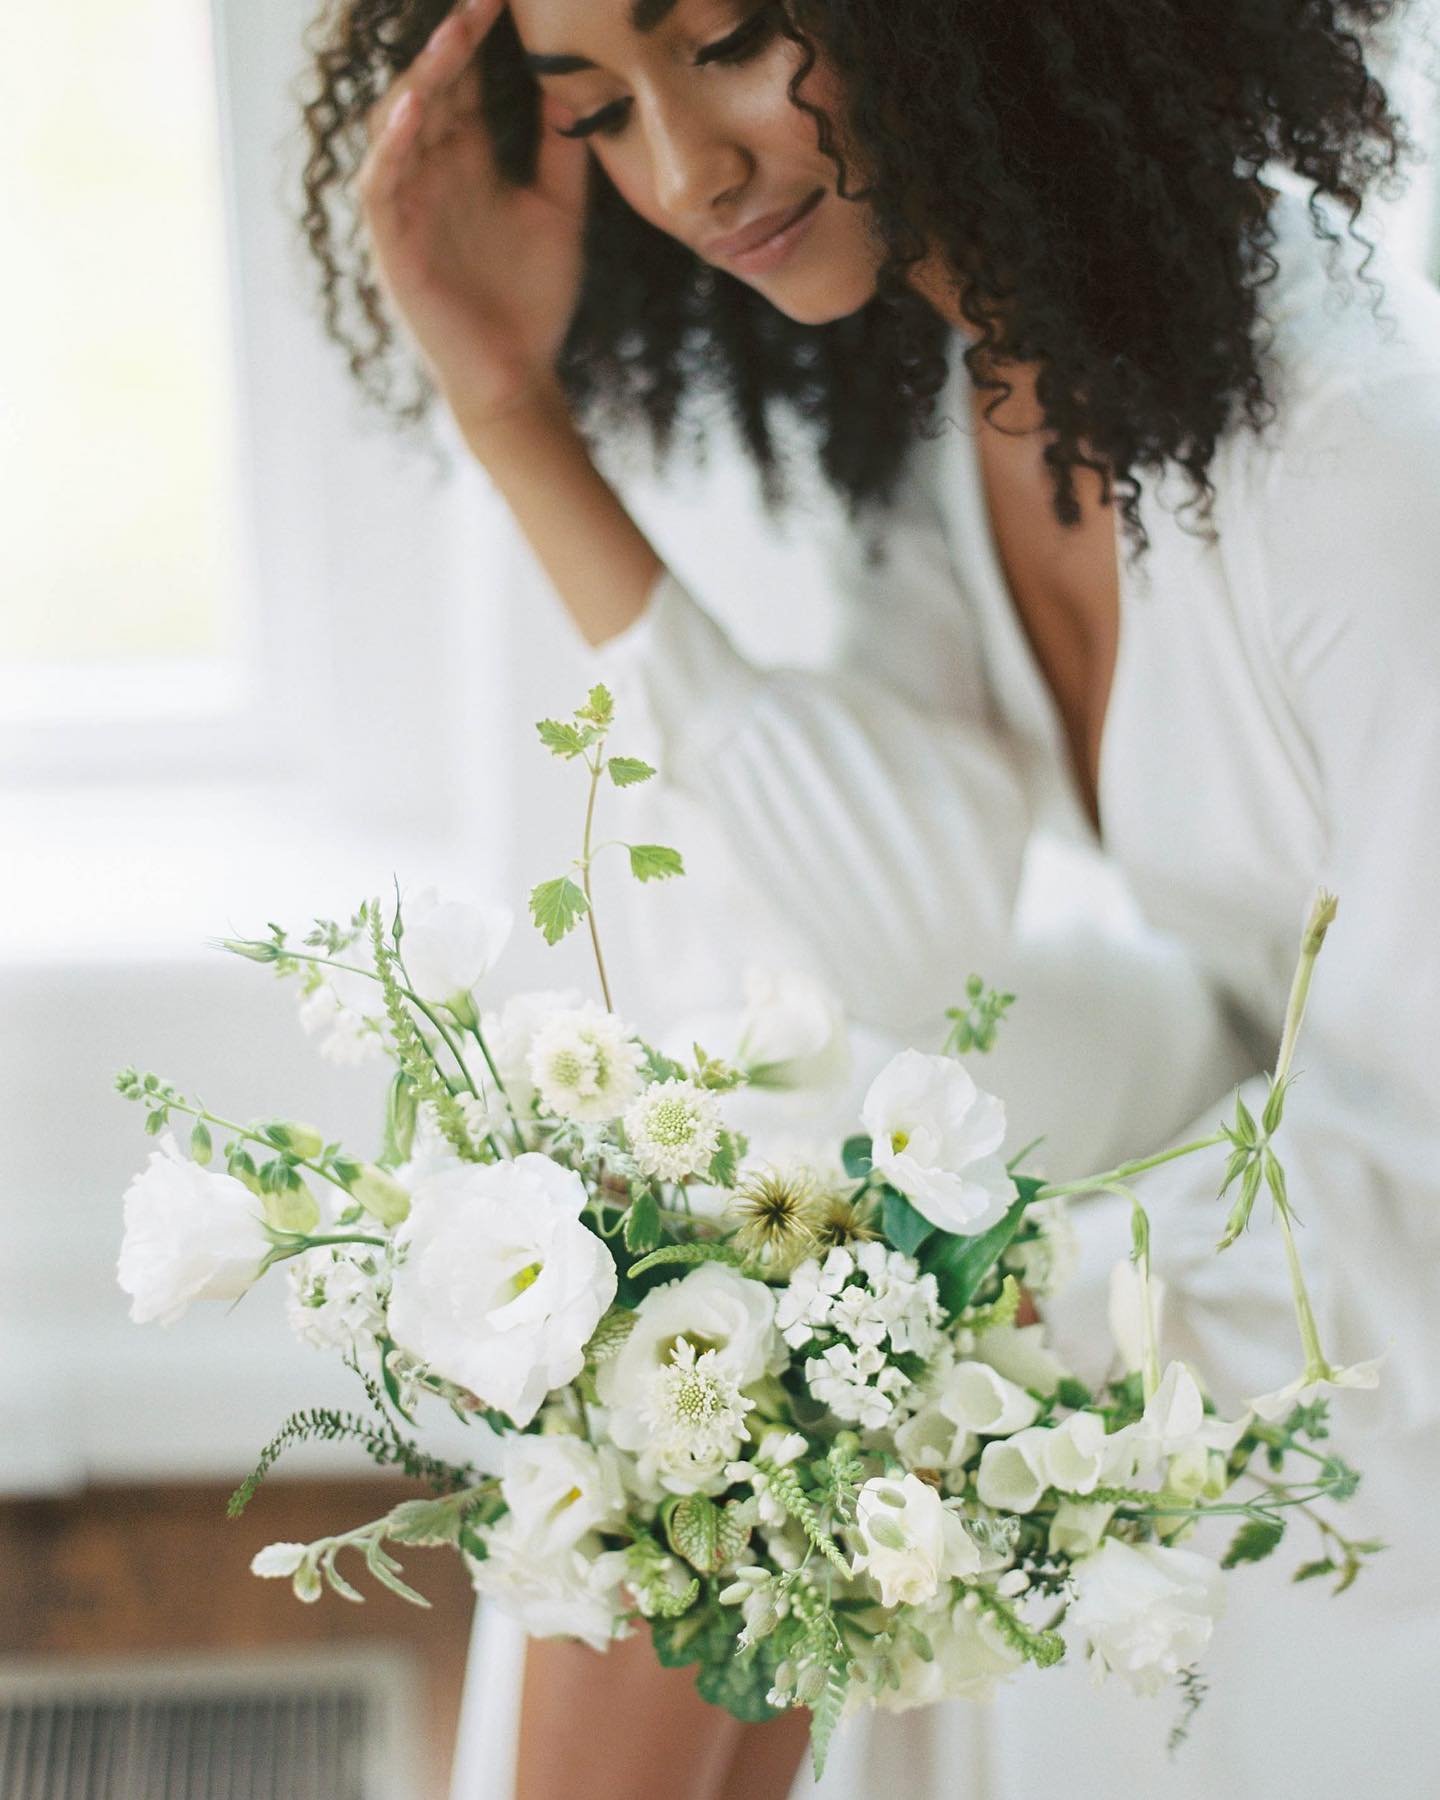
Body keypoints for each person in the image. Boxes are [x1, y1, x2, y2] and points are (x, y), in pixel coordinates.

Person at [296, 2, 1440, 1796]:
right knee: (715, 1209)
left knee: (789, 1327)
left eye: (737, 39)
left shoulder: (1361, 456)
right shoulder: (996, 368)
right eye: (600, 109)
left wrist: (947, 1301)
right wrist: (512, 412)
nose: (687, 170)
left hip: (1399, 1237)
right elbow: (887, 933)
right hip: (1274, 1100)